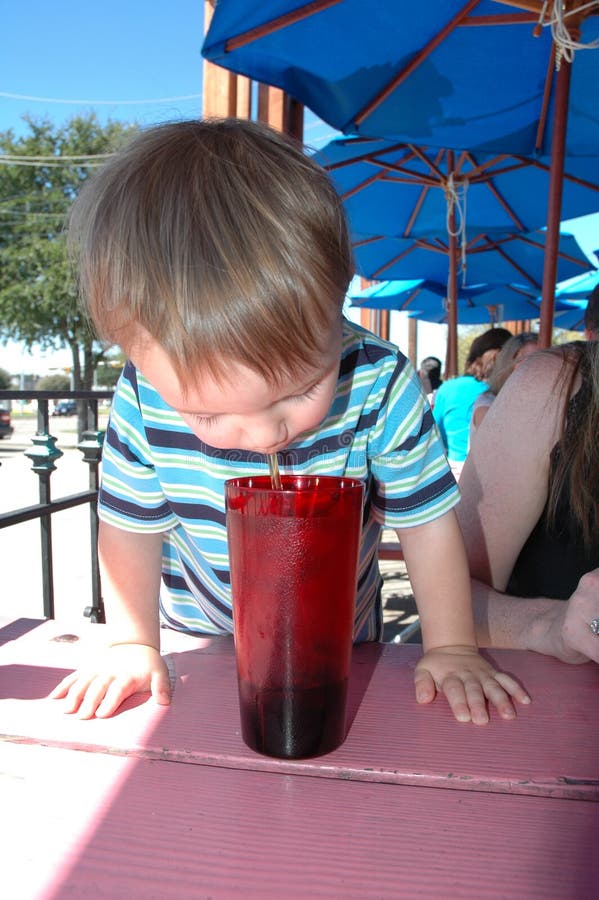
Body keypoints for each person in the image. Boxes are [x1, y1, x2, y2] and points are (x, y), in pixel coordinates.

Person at [50, 118, 528, 724]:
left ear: (339, 298)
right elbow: (128, 530)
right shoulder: (143, 397)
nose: (266, 434)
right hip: (199, 645)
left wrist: (453, 647)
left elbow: (428, 526)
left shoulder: (378, 382)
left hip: (340, 648)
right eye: (210, 413)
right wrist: (131, 643)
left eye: (302, 388)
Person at [457, 339, 599, 665]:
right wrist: (550, 623)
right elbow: (447, 599)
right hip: (552, 700)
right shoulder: (552, 386)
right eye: (520, 358)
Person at [432, 327, 512, 479]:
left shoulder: (448, 388)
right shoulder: (504, 393)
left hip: (453, 475)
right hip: (494, 475)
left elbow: (435, 434)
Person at [469, 332, 539, 440]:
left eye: (540, 360)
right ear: (508, 363)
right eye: (525, 360)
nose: (536, 367)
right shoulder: (487, 404)